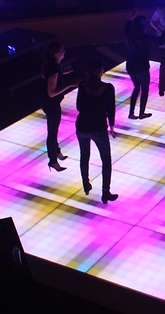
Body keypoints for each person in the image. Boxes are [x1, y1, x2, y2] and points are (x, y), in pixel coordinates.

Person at [75, 58, 118, 204]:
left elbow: (79, 107)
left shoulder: (82, 85)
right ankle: (105, 192)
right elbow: (111, 108)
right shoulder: (108, 88)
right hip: (98, 127)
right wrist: (111, 126)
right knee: (106, 160)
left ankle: (86, 184)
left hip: (82, 126)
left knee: (84, 155)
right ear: (101, 71)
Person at [40, 41, 76, 171]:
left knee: (54, 131)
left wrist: (63, 73)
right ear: (56, 53)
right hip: (51, 104)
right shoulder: (54, 69)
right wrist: (69, 85)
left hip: (49, 103)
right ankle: (53, 161)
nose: (64, 51)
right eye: (62, 50)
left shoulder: (53, 65)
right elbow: (51, 93)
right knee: (52, 132)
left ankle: (56, 152)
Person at [124, 14, 165, 120]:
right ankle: (141, 113)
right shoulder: (145, 37)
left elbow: (126, 27)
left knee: (136, 88)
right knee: (145, 90)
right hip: (142, 68)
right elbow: (161, 41)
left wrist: (131, 19)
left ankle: (131, 113)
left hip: (131, 67)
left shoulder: (129, 35)